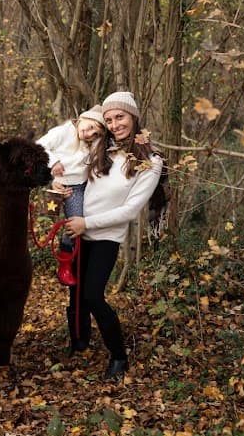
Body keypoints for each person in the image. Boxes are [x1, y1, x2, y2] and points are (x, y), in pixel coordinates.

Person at [60, 91, 162, 380]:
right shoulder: (102, 149)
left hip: (105, 237)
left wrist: (87, 223)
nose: (115, 124)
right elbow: (79, 181)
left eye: (120, 117)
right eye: (109, 119)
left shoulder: (149, 161)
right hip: (78, 230)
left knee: (92, 295)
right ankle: (78, 341)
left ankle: (118, 357)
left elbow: (130, 210)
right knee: (76, 292)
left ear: (134, 117)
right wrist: (62, 186)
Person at [35, 105, 107, 286]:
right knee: (75, 222)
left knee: (89, 223)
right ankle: (65, 264)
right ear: (82, 118)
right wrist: (53, 163)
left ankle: (83, 260)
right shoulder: (64, 131)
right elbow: (39, 146)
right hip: (70, 187)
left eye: (95, 133)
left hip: (89, 185)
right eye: (90, 127)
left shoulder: (93, 143)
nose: (89, 134)